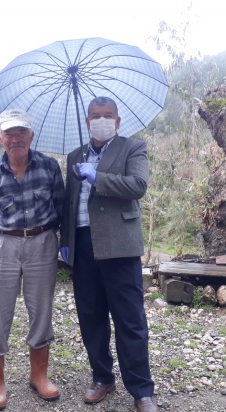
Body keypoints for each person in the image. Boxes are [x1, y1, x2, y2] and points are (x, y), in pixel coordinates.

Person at [59, 96, 157, 412]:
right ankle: (102, 377)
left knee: (130, 319)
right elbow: (69, 201)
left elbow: (137, 185)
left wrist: (97, 177)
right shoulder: (75, 156)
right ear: (87, 121)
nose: (102, 120)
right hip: (82, 245)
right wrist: (65, 238)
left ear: (117, 120)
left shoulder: (133, 148)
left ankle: (141, 389)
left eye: (108, 115)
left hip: (120, 245)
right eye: (96, 115)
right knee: (91, 317)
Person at [0, 108, 64, 410]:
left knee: (41, 310)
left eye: (21, 132)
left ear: (31, 135)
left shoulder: (50, 167)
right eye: (9, 133)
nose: (16, 138)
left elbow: (60, 204)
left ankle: (39, 375)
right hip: (3, 243)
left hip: (42, 242)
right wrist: (8, 235)